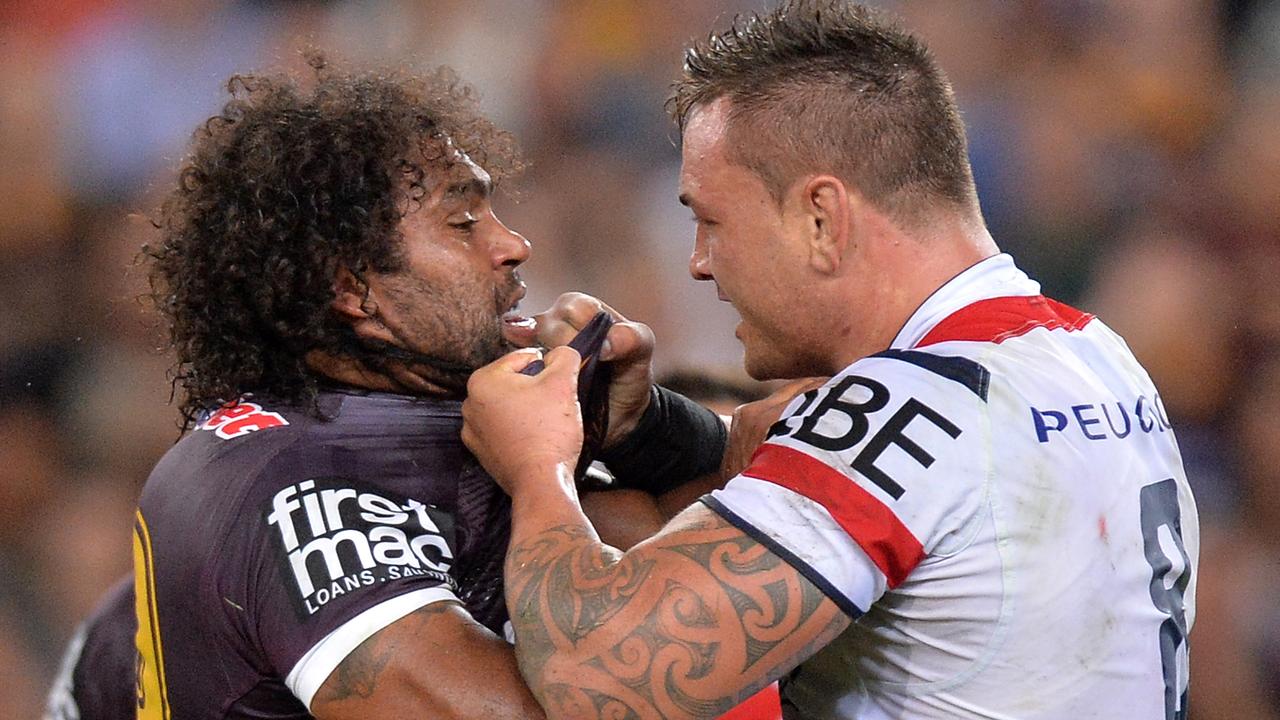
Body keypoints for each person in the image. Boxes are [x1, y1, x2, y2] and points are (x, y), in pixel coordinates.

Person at [459, 2, 1199, 719]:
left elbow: (599, 677)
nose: (698, 264)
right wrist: (653, 427)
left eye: (711, 220)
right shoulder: (1090, 355)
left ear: (821, 216)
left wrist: (538, 464)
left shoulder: (916, 404)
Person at [107, 55, 671, 720]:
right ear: (352, 287)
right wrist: (540, 470)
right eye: (463, 223)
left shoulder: (406, 413)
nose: (514, 244)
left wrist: (650, 429)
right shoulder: (288, 482)